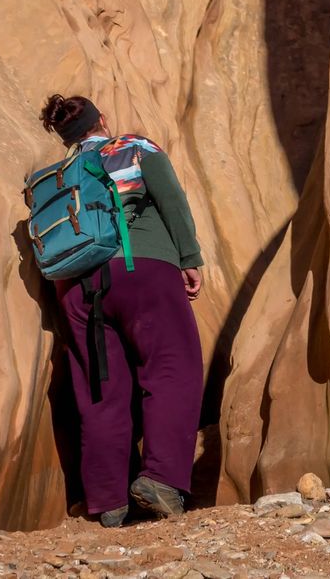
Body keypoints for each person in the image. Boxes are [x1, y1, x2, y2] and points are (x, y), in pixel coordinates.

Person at [38, 93, 206, 527]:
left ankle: (108, 502)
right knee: (173, 368)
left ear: (64, 136)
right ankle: (162, 480)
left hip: (75, 289)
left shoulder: (58, 175)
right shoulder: (133, 147)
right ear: (102, 120)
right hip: (141, 269)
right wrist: (189, 258)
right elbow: (171, 200)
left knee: (101, 391)